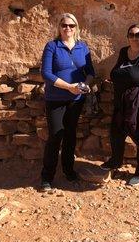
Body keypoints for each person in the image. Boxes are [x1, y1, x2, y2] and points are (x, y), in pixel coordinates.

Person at [101, 24, 139, 186]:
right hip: (122, 100)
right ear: (128, 37)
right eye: (132, 35)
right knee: (116, 132)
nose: (135, 38)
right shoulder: (123, 52)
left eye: (138, 35)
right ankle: (116, 161)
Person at [40, 13, 95, 191]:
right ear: (59, 27)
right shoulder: (52, 46)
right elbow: (46, 74)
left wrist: (85, 85)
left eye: (71, 25)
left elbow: (90, 72)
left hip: (76, 99)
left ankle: (69, 171)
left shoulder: (82, 47)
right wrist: (67, 87)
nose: (68, 29)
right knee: (55, 136)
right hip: (55, 98)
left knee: (70, 135)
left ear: (76, 27)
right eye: (64, 25)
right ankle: (47, 177)